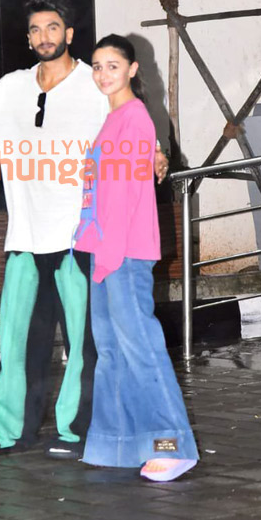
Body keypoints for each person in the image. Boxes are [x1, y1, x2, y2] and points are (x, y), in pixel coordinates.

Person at [0, 0, 168, 458]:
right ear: (29, 37)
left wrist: (157, 153)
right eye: (35, 29)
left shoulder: (97, 87)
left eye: (53, 28)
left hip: (81, 240)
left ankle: (76, 431)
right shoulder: (12, 87)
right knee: (15, 342)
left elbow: (131, 128)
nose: (44, 36)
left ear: (69, 35)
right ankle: (11, 431)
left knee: (84, 345)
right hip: (26, 238)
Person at [74, 34, 198, 482]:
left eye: (112, 65)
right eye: (97, 66)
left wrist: (106, 256)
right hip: (103, 251)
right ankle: (117, 445)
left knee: (141, 350)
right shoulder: (112, 120)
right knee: (110, 352)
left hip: (123, 254)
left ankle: (173, 446)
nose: (103, 74)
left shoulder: (134, 118)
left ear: (131, 70)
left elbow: (126, 198)